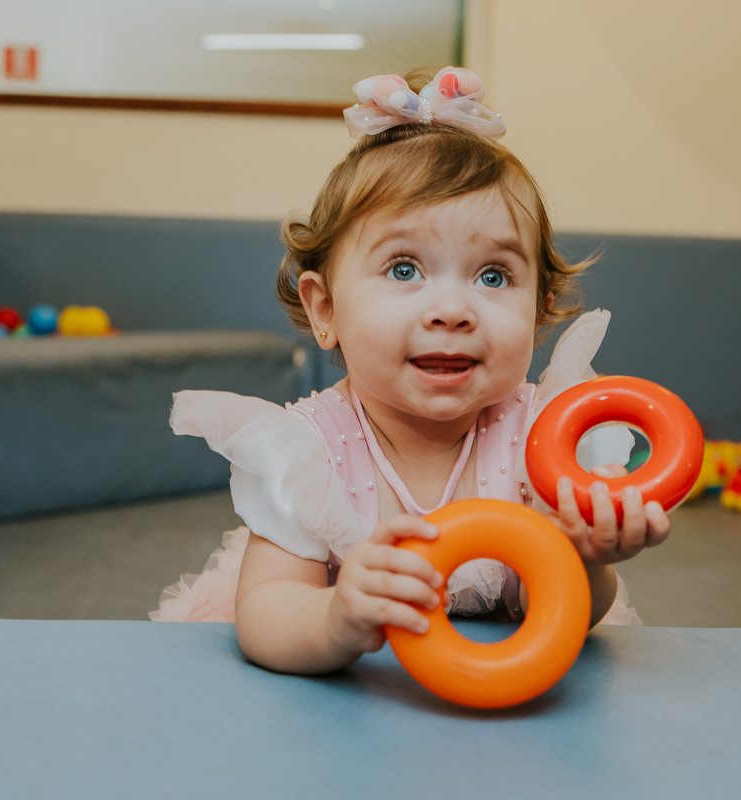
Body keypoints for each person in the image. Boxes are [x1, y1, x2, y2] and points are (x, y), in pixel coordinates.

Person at [151, 67, 671, 675]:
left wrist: (584, 558)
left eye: (493, 276)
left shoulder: (547, 437)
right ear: (326, 309)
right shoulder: (307, 452)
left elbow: (559, 614)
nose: (452, 311)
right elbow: (266, 612)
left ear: (539, 312)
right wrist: (335, 617)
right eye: (404, 270)